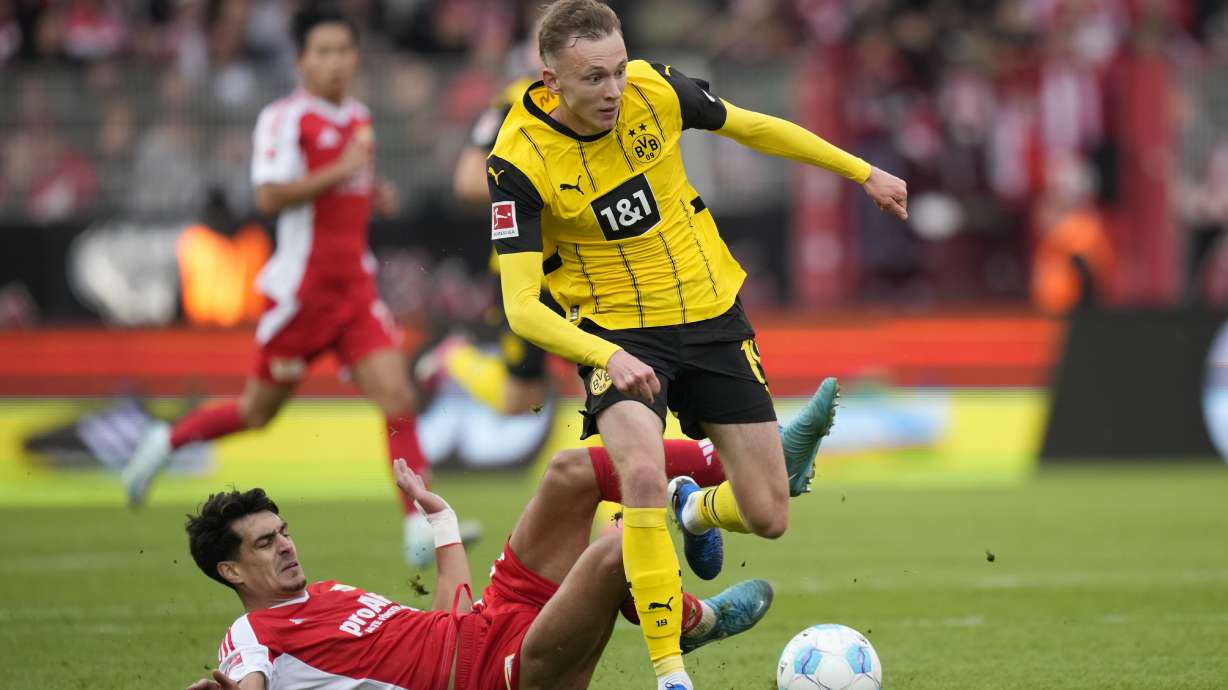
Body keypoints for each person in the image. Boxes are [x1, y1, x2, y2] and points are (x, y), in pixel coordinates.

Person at [486, 1, 908, 687]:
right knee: (640, 476)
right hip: (615, 331)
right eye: (593, 78)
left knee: (769, 513)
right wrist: (603, 354)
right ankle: (672, 672)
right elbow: (521, 307)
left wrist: (862, 173)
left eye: (619, 71)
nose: (613, 91)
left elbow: (752, 127)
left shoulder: (656, 89)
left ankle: (696, 506)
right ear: (549, 79)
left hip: (709, 313)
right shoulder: (518, 162)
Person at [122, 5, 452, 565]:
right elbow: (270, 196)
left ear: (356, 57)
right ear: (301, 59)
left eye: (343, 51)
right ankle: (166, 441)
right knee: (257, 413)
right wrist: (344, 169)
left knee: (397, 398)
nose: (334, 63)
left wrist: (373, 193)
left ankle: (419, 530)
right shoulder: (283, 118)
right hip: (303, 295)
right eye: (322, 52)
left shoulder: (359, 116)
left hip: (355, 291)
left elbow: (346, 189)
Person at [183, 451, 773, 690]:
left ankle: (731, 461)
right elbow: (247, 683)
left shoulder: (331, 593)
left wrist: (442, 522)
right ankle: (694, 618)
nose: (286, 546)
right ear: (231, 571)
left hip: (493, 621)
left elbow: (445, 621)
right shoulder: (254, 636)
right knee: (619, 548)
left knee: (570, 473)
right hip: (498, 677)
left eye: (283, 532)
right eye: (265, 543)